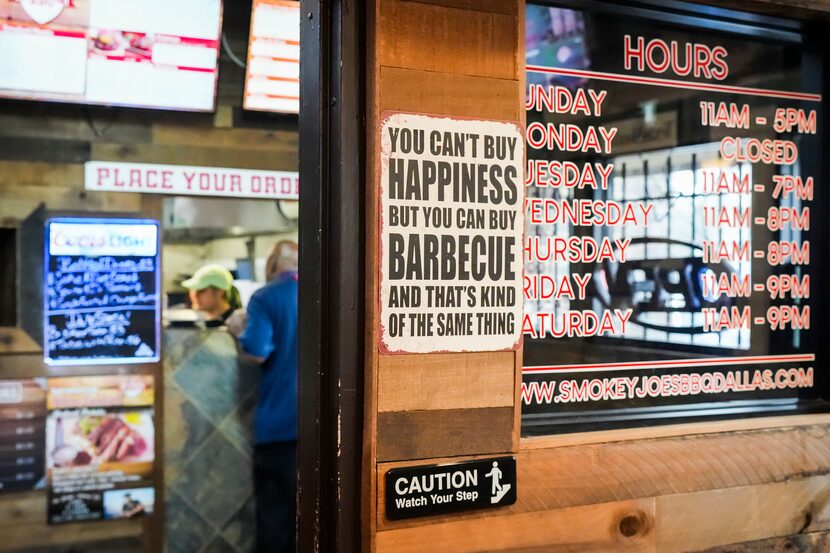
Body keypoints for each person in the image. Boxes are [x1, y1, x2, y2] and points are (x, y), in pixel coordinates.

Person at [229, 240, 298, 553]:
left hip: (279, 430)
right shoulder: (329, 290)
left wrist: (236, 329)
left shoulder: (265, 296)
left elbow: (257, 352)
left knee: (275, 525)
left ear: (271, 267)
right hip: (327, 433)